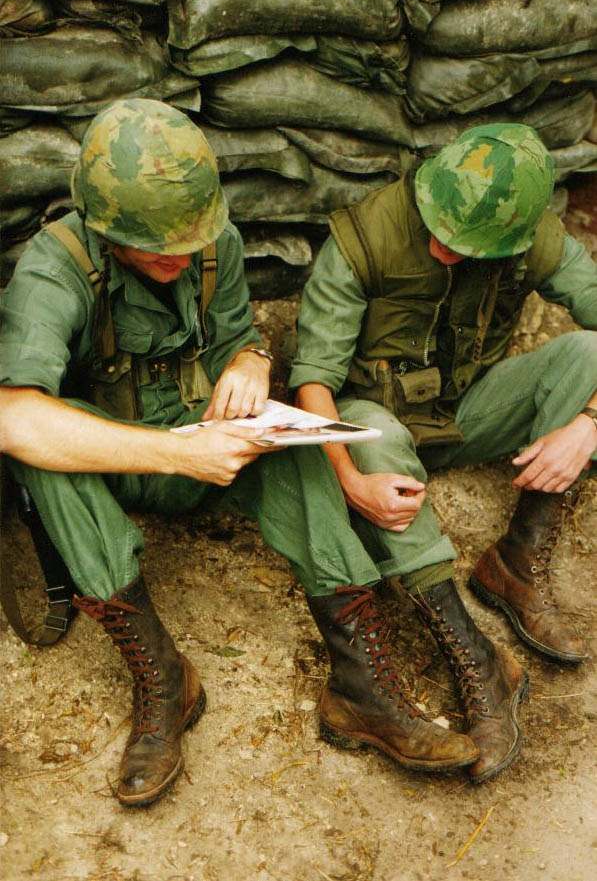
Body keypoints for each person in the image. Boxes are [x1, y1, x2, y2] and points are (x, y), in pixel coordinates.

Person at [0, 99, 479, 808]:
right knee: (41, 445)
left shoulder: (206, 239)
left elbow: (231, 335)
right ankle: (164, 676)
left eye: (188, 240)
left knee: (294, 440)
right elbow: (12, 417)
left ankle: (358, 683)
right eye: (155, 247)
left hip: (201, 443)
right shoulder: (55, 267)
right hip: (117, 461)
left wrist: (251, 357)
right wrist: (174, 454)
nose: (179, 256)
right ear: (105, 230)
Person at [291, 122, 597, 784]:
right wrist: (345, 477)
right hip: (377, 426)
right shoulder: (363, 237)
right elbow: (312, 379)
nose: (439, 244)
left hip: (468, 412)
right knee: (364, 428)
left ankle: (513, 565)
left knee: (585, 354)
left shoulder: (532, 240)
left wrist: (589, 422)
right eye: (437, 225)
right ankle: (478, 656)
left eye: (461, 244)